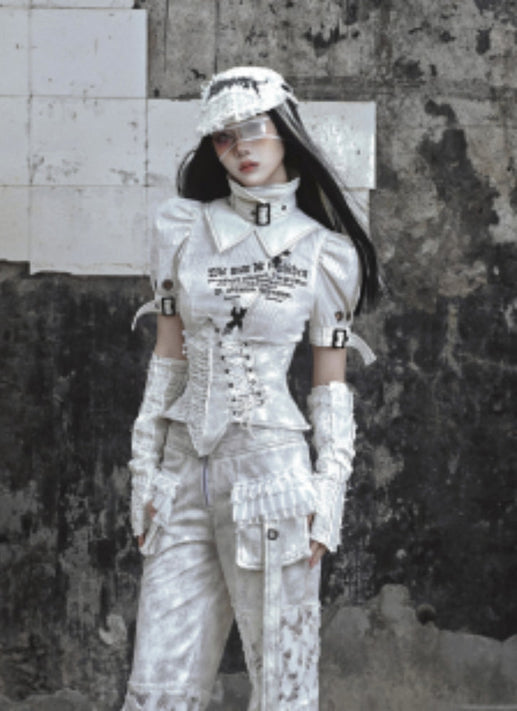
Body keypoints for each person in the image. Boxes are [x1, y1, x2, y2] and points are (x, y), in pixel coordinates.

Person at [121, 66, 378, 711]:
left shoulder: (324, 253)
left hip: (272, 478)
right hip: (183, 472)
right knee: (157, 688)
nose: (240, 147)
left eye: (254, 129)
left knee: (283, 687)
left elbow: (330, 385)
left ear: (285, 131)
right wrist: (145, 468)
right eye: (223, 136)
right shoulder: (182, 227)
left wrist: (329, 491)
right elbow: (168, 357)